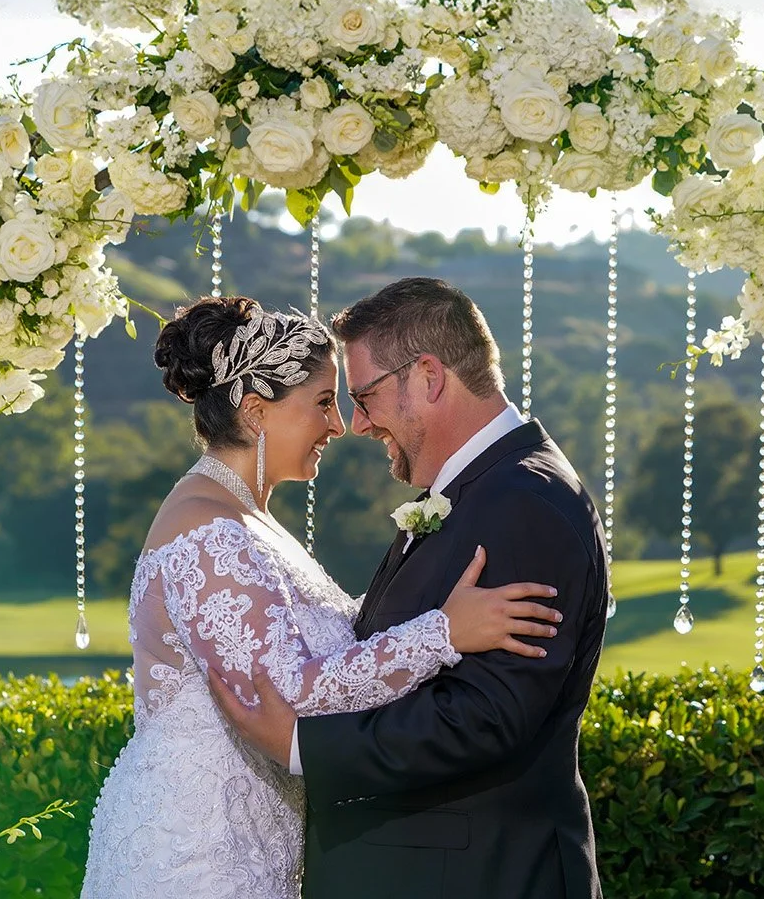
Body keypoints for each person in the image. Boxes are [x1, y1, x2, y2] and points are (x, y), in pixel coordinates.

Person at [81, 295, 564, 899]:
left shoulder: (246, 516)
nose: (339, 426)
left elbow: (321, 642)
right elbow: (289, 693)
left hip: (258, 835)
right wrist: (441, 633)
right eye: (322, 404)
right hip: (200, 847)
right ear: (257, 412)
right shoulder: (206, 532)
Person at [209, 277, 609, 899]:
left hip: (472, 877)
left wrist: (302, 746)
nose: (359, 423)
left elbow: (487, 715)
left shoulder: (525, 501)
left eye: (365, 396)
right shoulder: (475, 489)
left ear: (428, 376)